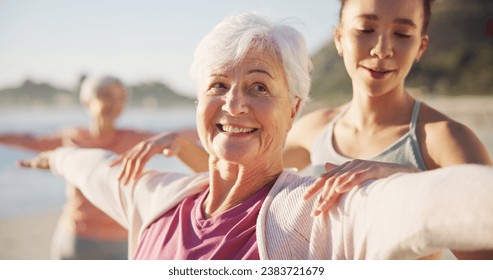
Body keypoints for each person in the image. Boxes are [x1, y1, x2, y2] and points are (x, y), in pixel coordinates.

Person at [18, 12, 493, 260]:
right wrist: (54, 158)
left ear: (294, 111)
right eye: (218, 86)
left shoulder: (322, 211)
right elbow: (92, 167)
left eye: (259, 87)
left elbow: (434, 206)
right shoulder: (156, 197)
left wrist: (406, 177)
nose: (234, 104)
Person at [0, 75, 159, 259]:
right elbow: (29, 140)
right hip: (77, 238)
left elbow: (180, 136)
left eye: (121, 97)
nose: (114, 103)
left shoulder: (134, 139)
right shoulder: (73, 137)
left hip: (120, 240)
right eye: (106, 95)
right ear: (87, 102)